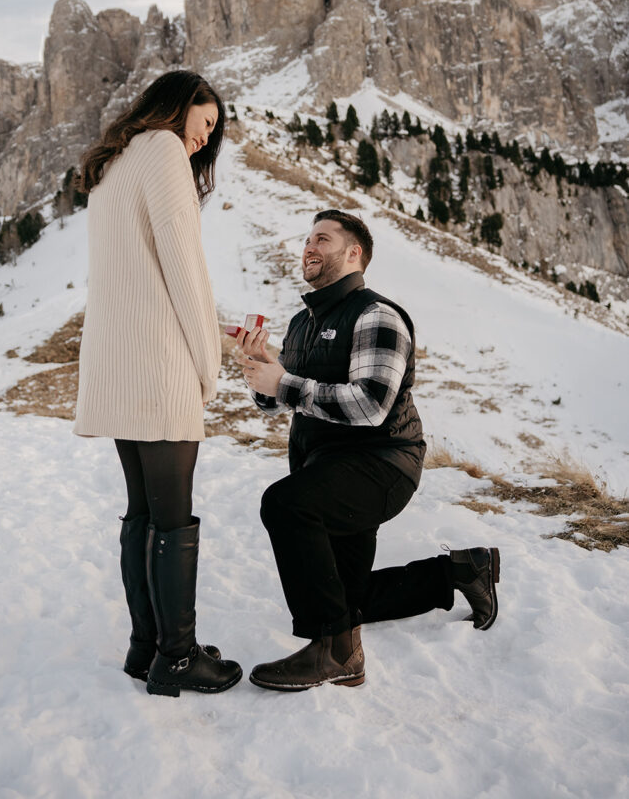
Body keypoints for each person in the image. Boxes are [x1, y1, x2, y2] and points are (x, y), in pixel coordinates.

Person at [238, 209, 499, 692]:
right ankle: (462, 571)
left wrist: (285, 384)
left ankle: (334, 652)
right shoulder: (302, 322)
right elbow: (280, 398)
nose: (309, 247)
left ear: (354, 252)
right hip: (328, 468)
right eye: (307, 240)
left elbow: (371, 405)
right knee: (347, 598)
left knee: (286, 505)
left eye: (322, 239)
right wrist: (263, 370)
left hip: (382, 464)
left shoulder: (377, 315)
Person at [74, 70, 242, 698]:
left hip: (117, 364)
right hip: (159, 365)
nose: (204, 140)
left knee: (143, 512)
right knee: (172, 518)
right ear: (180, 107)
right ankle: (177, 656)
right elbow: (183, 266)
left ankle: (146, 645)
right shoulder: (165, 151)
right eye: (205, 124)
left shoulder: (116, 163)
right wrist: (207, 362)